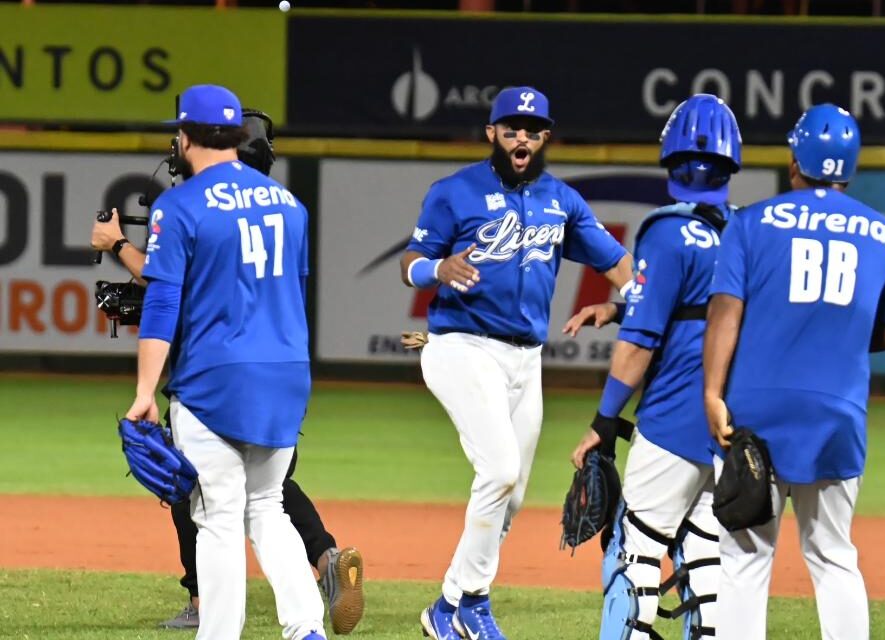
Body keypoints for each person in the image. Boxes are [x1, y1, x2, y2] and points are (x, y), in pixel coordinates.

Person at [92, 109, 365, 636]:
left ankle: (214, 630)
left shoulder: (182, 204)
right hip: (286, 371)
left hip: (216, 376)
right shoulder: (290, 205)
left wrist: (146, 390)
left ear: (190, 136)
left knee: (214, 515)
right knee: (267, 506)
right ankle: (306, 625)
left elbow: (166, 295)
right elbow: (288, 292)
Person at [400, 86, 633, 640]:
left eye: (532, 128)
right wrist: (436, 271)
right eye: (511, 127)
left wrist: (620, 304)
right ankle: (473, 604)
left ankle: (447, 605)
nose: (521, 137)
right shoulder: (454, 192)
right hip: (460, 346)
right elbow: (411, 260)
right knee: (499, 470)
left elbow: (624, 268)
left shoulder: (562, 201)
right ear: (492, 134)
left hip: (526, 361)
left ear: (545, 136)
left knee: (514, 494)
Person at [702, 104, 885, 640]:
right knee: (833, 554)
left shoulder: (751, 222)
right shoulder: (884, 233)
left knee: (746, 556)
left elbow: (725, 312)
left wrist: (711, 391)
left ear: (796, 161)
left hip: (756, 410)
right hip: (836, 410)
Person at [568, 94, 740, 640]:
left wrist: (604, 421)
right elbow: (708, 309)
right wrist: (621, 306)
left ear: (670, 158)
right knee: (707, 563)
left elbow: (640, 344)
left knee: (633, 556)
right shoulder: (743, 231)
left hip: (672, 421)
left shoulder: (666, 230)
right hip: (730, 424)